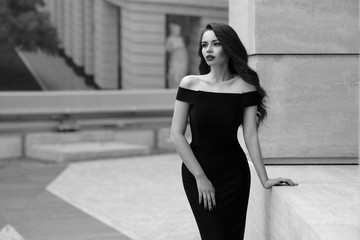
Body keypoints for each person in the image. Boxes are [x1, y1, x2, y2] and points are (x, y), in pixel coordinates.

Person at [170, 23, 297, 240]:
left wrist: (264, 179)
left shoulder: (245, 88)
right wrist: (200, 177)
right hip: (197, 173)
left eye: (216, 44)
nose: (208, 50)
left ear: (228, 48)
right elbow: (176, 134)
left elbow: (250, 136)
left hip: (234, 176)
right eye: (204, 45)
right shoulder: (190, 84)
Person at [165, 23, 189, 88]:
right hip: (175, 60)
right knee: (174, 77)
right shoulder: (170, 39)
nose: (178, 31)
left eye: (179, 30)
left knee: (181, 77)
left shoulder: (180, 39)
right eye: (177, 30)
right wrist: (175, 48)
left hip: (182, 60)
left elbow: (184, 49)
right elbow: (167, 49)